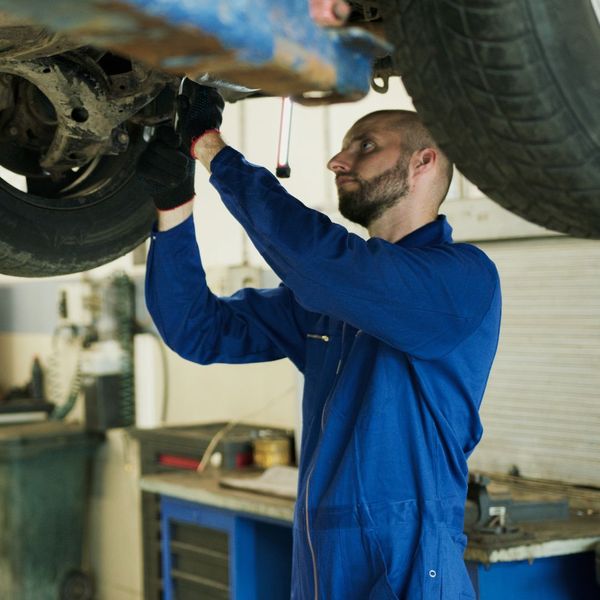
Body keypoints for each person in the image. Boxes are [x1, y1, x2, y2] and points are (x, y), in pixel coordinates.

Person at [142, 80, 501, 599]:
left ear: (425, 162)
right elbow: (197, 330)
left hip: (405, 570)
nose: (337, 159)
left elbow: (324, 263)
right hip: (319, 566)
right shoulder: (330, 299)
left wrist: (213, 149)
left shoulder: (461, 281)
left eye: (366, 146)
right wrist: (174, 209)